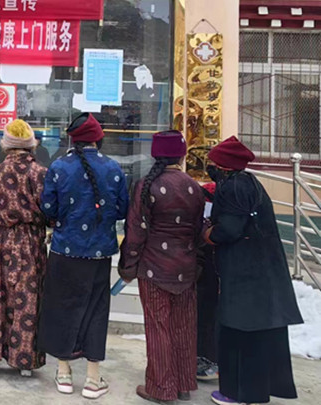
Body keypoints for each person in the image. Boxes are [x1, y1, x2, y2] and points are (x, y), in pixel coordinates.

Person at [203, 137, 302, 405]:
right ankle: (257, 390)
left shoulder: (232, 187)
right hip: (262, 271)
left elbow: (229, 229)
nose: (210, 167)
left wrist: (209, 233)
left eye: (213, 163)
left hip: (244, 273)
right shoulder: (250, 183)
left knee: (238, 332)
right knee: (259, 334)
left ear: (224, 165)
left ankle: (236, 392)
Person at [38, 113, 128, 400]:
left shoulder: (58, 167)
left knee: (62, 309)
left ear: (72, 140)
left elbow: (48, 208)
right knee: (96, 312)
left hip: (64, 250)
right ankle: (92, 378)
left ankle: (64, 373)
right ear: (98, 139)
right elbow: (123, 210)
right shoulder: (113, 168)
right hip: (99, 253)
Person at [119, 130, 205, 404]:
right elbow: (198, 231)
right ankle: (183, 384)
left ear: (155, 154)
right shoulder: (194, 187)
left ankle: (160, 388)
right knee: (183, 327)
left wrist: (128, 266)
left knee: (158, 328)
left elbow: (135, 231)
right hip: (186, 267)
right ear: (181, 155)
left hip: (154, 267)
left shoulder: (146, 186)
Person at [0, 119, 49, 378]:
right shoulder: (40, 174)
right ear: (31, 145)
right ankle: (24, 360)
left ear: (5, 145)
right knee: (27, 298)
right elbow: (50, 212)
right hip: (30, 243)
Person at [196, 181, 220, 384]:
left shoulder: (202, 222)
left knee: (205, 317)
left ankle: (207, 360)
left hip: (206, 274)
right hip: (215, 274)